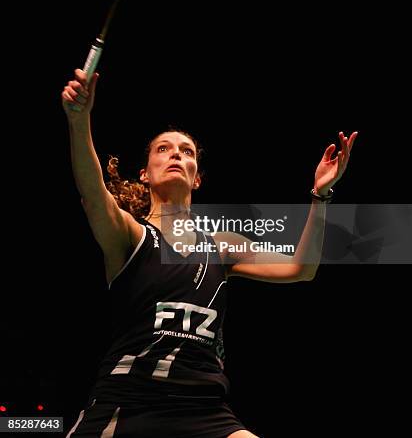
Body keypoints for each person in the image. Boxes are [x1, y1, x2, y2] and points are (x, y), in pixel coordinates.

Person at [62, 69, 358, 437]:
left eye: (186, 152)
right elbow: (93, 193)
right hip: (127, 402)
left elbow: (302, 268)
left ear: (197, 176)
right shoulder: (130, 235)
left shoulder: (220, 246)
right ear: (144, 174)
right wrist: (79, 120)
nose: (175, 155)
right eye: (163, 149)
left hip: (201, 409)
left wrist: (321, 194)